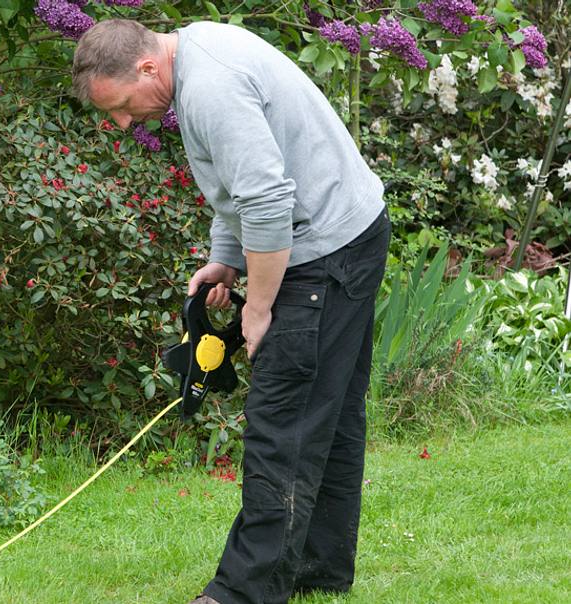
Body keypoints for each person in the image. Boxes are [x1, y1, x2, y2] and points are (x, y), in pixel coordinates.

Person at [72, 19, 391, 604]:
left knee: (284, 414)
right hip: (348, 231)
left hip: (323, 250)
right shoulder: (197, 55)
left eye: (119, 106)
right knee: (332, 410)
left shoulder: (210, 86)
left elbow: (268, 200)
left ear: (146, 68)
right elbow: (237, 184)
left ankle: (244, 591)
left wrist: (262, 306)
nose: (121, 123)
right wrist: (226, 261)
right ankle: (318, 569)